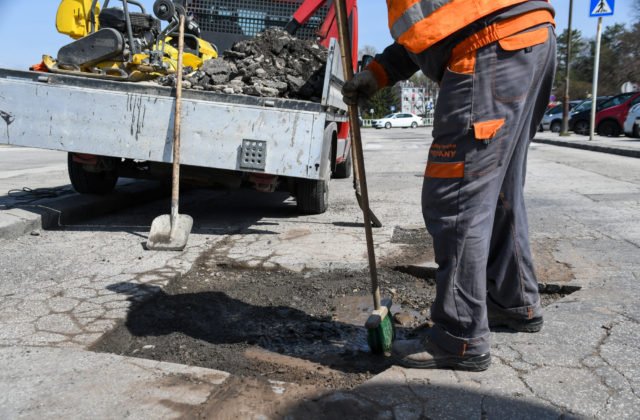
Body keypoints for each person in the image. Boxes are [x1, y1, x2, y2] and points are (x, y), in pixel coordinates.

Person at [343, 1, 557, 371]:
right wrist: (379, 72)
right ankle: (514, 299)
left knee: (455, 199)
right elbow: (432, 23)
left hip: (488, 45)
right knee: (500, 186)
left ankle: (460, 336)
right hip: (527, 34)